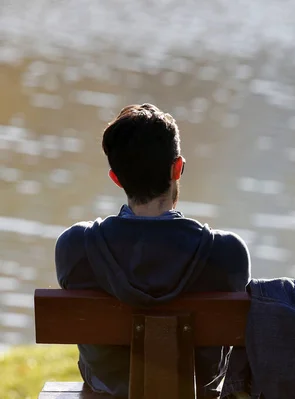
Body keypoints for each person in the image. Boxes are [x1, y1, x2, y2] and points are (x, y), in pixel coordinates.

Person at [55, 104, 251, 398]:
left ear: (117, 178)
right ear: (177, 168)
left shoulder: (75, 246)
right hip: (197, 390)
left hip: (109, 390)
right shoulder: (227, 252)